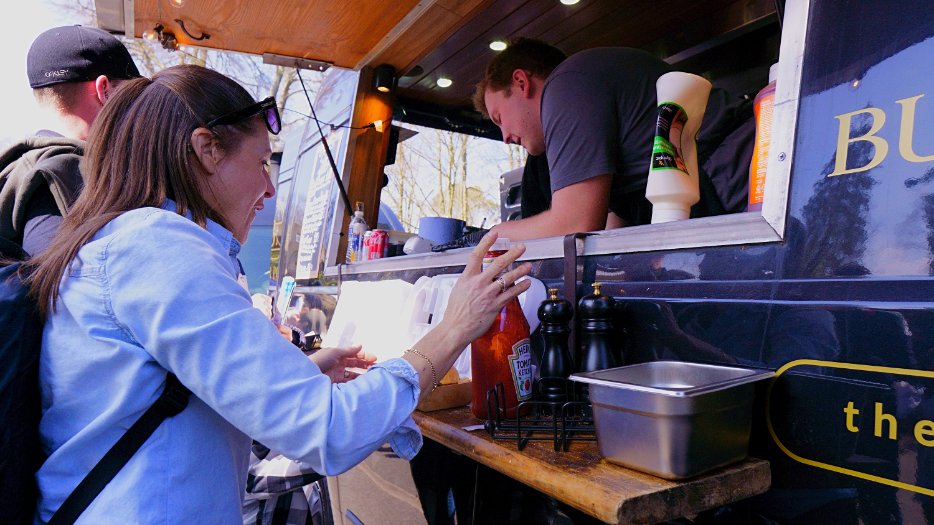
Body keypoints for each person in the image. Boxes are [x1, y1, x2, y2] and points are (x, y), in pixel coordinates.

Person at [24, 64, 532, 523]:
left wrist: (301, 374)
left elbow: (165, 393)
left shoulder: (120, 242)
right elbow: (329, 431)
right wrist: (454, 327)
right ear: (206, 150)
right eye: (262, 163)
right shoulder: (158, 247)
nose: (269, 190)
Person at [473, 38, 754, 240]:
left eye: (499, 118)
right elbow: (611, 226)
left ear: (521, 82)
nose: (505, 137)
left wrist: (493, 236)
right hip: (709, 182)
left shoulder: (566, 84)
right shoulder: (589, 87)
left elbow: (576, 221)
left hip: (734, 172)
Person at [0, 25, 140, 260]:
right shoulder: (63, 174)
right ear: (104, 90)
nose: (137, 111)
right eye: (131, 95)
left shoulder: (15, 170)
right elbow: (50, 287)